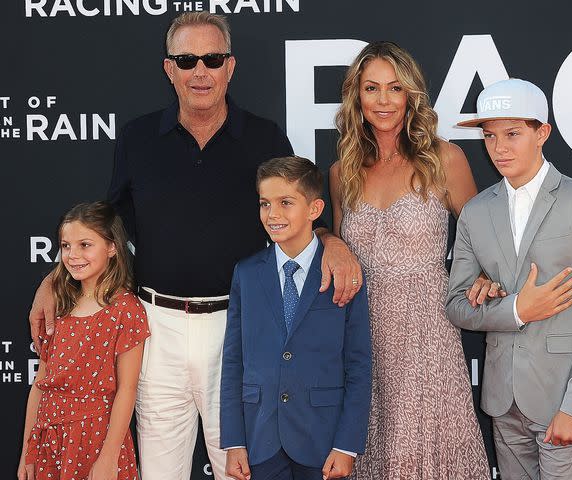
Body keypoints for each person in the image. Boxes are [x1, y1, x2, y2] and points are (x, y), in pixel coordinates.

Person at [28, 12, 362, 480]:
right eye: (187, 60)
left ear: (230, 66)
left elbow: (298, 213)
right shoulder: (138, 138)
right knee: (161, 470)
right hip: (156, 327)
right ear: (170, 69)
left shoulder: (264, 136)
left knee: (238, 467)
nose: (200, 71)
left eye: (212, 58)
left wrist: (333, 241)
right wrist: (54, 277)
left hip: (238, 328)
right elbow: (106, 227)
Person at [446, 78, 572, 479]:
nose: (499, 148)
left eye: (512, 134)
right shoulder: (475, 210)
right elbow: (457, 305)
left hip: (563, 398)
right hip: (503, 403)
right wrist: (515, 310)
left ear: (542, 133)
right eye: (490, 136)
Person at [329, 41, 489, 479]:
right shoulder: (343, 170)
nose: (383, 100)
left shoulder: (444, 158)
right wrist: (329, 239)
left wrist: (483, 277)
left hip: (427, 332)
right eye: (372, 88)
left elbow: (485, 239)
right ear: (356, 97)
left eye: (395, 88)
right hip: (361, 330)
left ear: (411, 96)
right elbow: (336, 240)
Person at [220, 156, 372, 480]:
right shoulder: (246, 274)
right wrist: (234, 440)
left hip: (323, 441)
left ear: (315, 210)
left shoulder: (344, 273)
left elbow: (358, 365)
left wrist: (347, 446)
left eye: (285, 203)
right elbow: (233, 362)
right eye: (265, 204)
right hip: (261, 440)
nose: (272, 214)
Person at [17, 201, 150, 480]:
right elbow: (40, 387)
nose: (73, 255)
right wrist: (27, 451)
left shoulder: (126, 309)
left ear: (112, 247)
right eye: (66, 246)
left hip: (96, 438)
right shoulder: (58, 306)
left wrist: (108, 458)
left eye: (85, 245)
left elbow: (127, 389)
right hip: (49, 440)